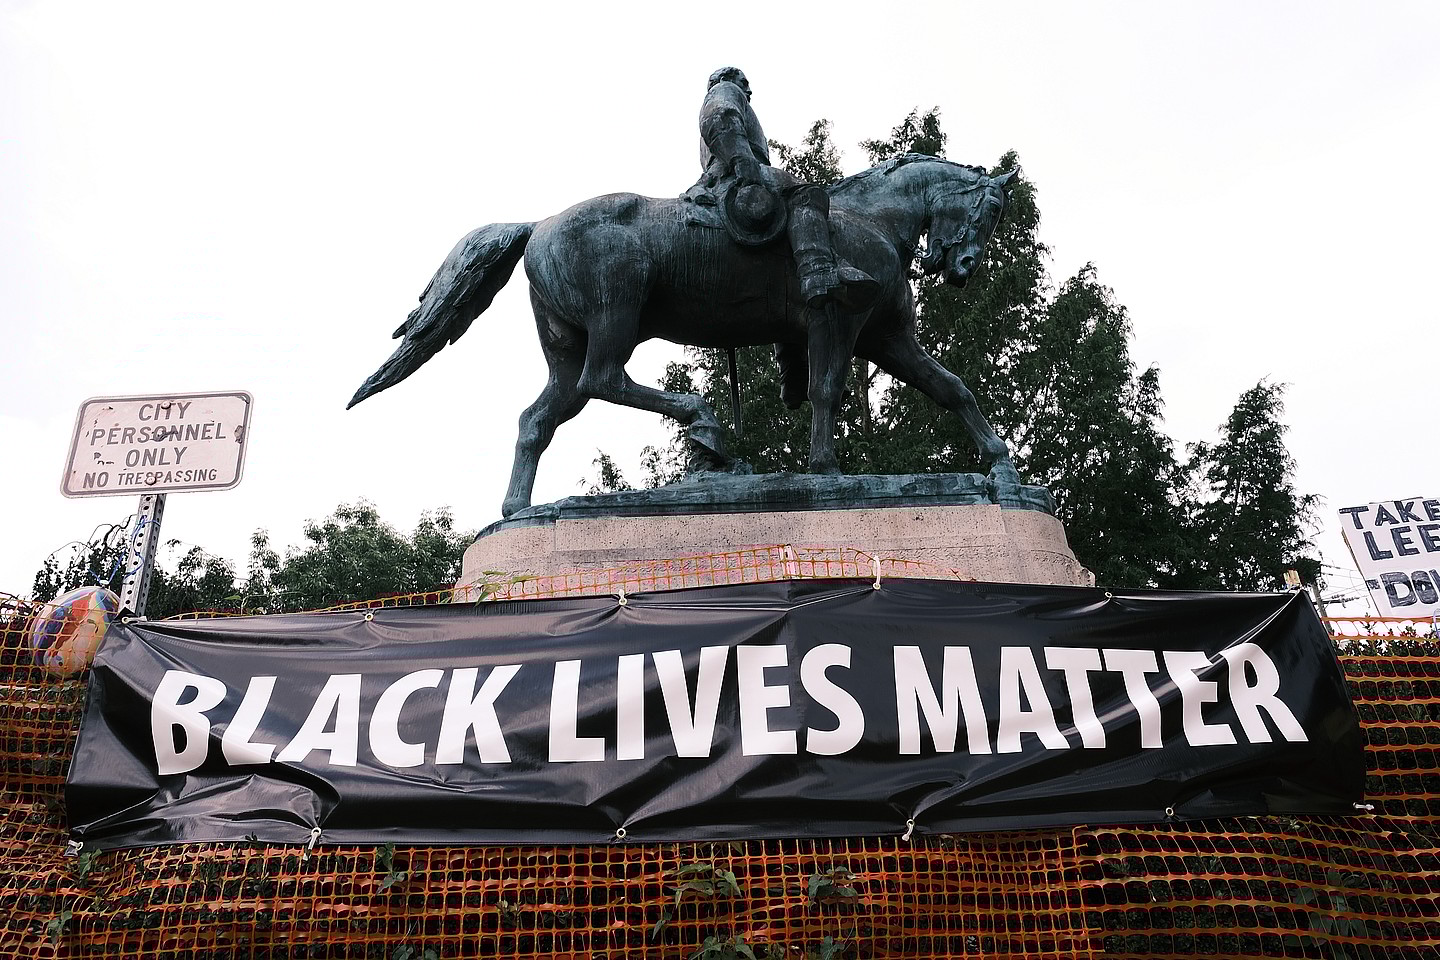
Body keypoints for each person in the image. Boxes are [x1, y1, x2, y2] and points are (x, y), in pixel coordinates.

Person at [693, 67, 879, 313]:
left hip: (727, 170)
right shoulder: (725, 90)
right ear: (726, 79)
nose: (748, 89)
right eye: (743, 82)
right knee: (805, 194)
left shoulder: (728, 97)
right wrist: (742, 160)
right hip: (737, 169)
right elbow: (720, 117)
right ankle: (819, 272)